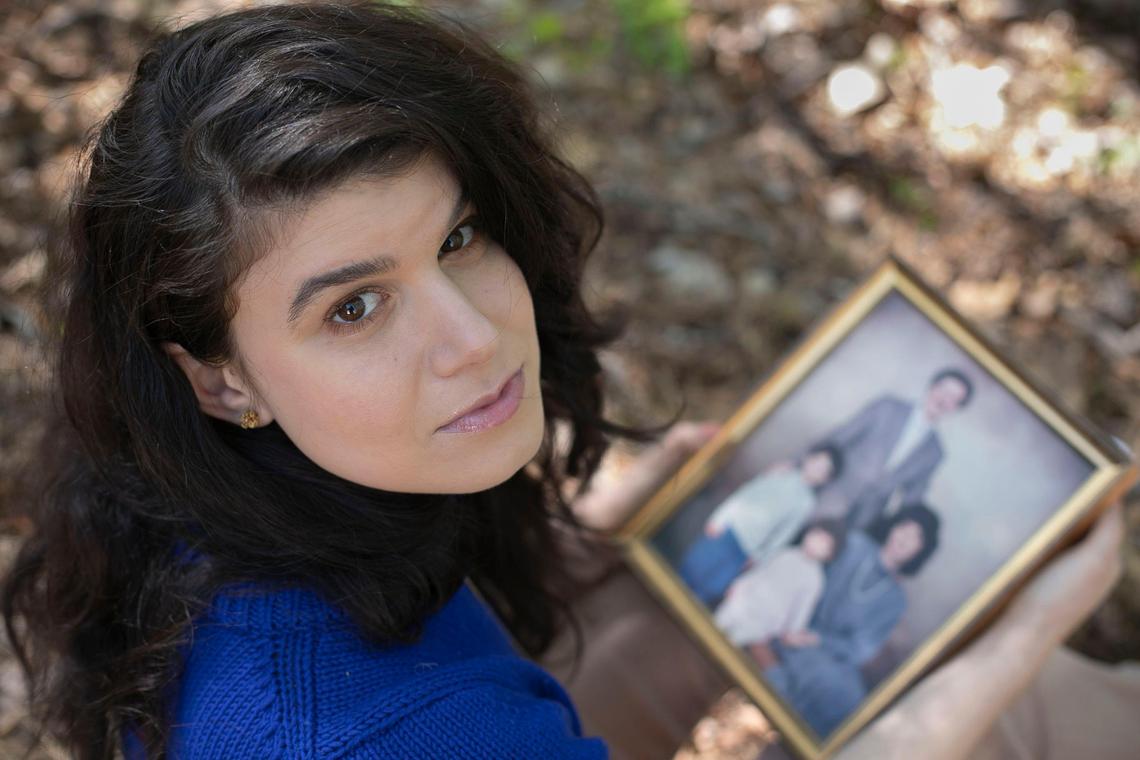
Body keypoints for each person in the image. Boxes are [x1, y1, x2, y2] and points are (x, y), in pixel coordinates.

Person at [0, 3, 1131, 760]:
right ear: (217, 378)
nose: (476, 338)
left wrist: (588, 543)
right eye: (354, 307)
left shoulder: (195, 507)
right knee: (1022, 703)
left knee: (667, 607)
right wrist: (1013, 640)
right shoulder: (390, 732)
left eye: (460, 238)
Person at [764, 505, 941, 738]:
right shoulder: (855, 545)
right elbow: (807, 568)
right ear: (894, 526)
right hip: (794, 619)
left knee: (849, 704)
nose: (905, 540)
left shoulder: (896, 601)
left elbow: (862, 649)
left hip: (831, 654)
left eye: (916, 538)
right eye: (904, 528)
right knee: (811, 679)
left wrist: (817, 639)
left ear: (920, 551)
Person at [678, 445, 842, 606]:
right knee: (694, 566)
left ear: (826, 480)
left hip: (748, 549)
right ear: (808, 458)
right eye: (817, 463)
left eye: (824, 471)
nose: (817, 470)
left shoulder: (806, 503)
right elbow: (746, 494)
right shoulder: (781, 472)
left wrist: (760, 557)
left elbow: (784, 534)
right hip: (730, 530)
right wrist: (719, 519)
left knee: (711, 587)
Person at [810, 369, 973, 530]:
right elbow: (841, 436)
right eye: (943, 390)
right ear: (932, 387)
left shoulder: (935, 452)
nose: (944, 399)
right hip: (835, 490)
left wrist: (907, 527)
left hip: (868, 515)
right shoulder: (888, 407)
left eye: (953, 398)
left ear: (956, 408)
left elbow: (914, 494)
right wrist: (798, 463)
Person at [713, 518, 846, 653]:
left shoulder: (815, 579)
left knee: (725, 648)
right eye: (816, 534)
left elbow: (802, 609)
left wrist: (792, 632)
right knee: (713, 627)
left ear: (830, 553)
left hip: (762, 621)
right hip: (741, 602)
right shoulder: (787, 553)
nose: (816, 542)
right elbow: (760, 573)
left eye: (824, 541)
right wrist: (738, 585)